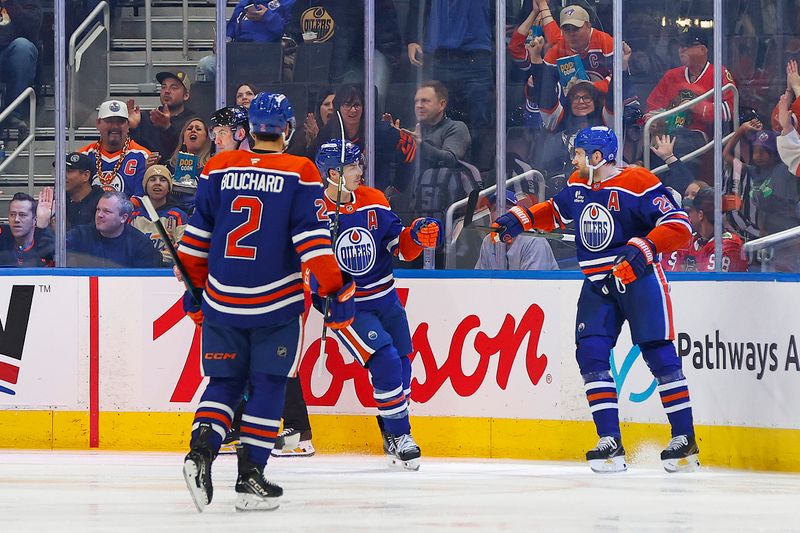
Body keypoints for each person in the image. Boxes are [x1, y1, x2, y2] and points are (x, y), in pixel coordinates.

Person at [177, 92, 353, 512]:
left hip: (222, 299)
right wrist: (336, 289)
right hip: (275, 305)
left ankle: (200, 452)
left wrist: (195, 294)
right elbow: (312, 243)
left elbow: (194, 242)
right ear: (287, 129)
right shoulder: (300, 170)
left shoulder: (218, 166)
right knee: (269, 386)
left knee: (223, 384)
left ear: (250, 129)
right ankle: (249, 475)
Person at [492, 126, 699, 474]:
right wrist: (520, 219)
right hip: (597, 282)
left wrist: (642, 249)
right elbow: (556, 211)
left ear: (598, 157)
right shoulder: (577, 183)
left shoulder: (639, 182)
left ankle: (684, 438)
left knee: (658, 353)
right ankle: (609, 441)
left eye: (579, 152)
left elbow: (678, 224)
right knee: (590, 353)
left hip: (638, 278)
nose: (574, 158)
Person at [313, 139, 442, 470]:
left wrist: (415, 235)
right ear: (333, 173)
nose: (360, 171)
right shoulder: (312, 211)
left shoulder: (374, 200)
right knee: (384, 359)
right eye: (353, 166)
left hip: (387, 298)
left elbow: (398, 245)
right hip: (349, 305)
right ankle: (401, 434)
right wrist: (322, 296)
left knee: (403, 362)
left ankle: (390, 426)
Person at [404, 0, 494, 168]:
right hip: (441, 55)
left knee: (481, 118)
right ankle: (436, 173)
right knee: (432, 114)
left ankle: (479, 175)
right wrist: (413, 38)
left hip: (476, 55)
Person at [314, 84, 416, 196]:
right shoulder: (327, 133)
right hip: (341, 200)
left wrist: (397, 187)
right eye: (347, 105)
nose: (353, 110)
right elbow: (319, 166)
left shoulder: (381, 131)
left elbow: (410, 146)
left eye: (357, 105)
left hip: (375, 198)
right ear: (338, 107)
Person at [646, 28, 735, 143]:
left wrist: (695, 106)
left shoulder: (719, 74)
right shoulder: (671, 76)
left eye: (687, 46)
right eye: (681, 45)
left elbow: (729, 111)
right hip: (669, 134)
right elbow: (652, 106)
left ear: (702, 50)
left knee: (676, 142)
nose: (682, 49)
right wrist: (652, 120)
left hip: (700, 136)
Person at [661, 187, 748, 273]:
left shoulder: (728, 245)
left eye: (690, 211)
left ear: (700, 215)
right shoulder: (691, 240)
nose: (688, 216)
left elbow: (712, 284)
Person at [66, 191, 162, 268]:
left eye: (106, 211)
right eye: (98, 209)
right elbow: (54, 249)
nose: (99, 215)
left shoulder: (141, 244)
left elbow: (145, 282)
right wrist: (49, 219)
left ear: (123, 218)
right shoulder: (80, 235)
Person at [79, 100, 152, 197]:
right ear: (98, 123)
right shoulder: (83, 155)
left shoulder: (143, 156)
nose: (115, 126)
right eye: (109, 121)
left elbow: (142, 198)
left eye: (120, 122)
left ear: (128, 124)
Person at [475, 190, 558, 271]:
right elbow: (478, 280)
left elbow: (532, 283)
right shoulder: (488, 241)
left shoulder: (534, 241)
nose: (500, 213)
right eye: (495, 209)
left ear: (518, 213)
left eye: (506, 208)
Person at [127, 71, 197, 162]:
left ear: (186, 95)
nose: (167, 91)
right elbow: (132, 152)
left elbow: (189, 153)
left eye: (174, 87)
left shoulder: (192, 122)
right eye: (164, 87)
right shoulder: (147, 117)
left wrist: (167, 128)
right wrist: (132, 128)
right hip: (149, 173)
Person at [130, 165, 188, 266]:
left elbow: (182, 248)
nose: (157, 183)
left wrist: (155, 258)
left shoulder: (178, 215)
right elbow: (128, 249)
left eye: (163, 180)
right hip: (138, 271)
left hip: (168, 273)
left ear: (169, 187)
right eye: (152, 179)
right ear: (145, 186)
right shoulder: (134, 216)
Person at [0, 0, 41, 134]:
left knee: (23, 47)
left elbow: (31, 29)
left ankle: (12, 113)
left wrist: (8, 4)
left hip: (10, 55)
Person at [0, 190, 53, 267]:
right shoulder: (3, 236)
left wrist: (43, 225)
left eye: (22, 215)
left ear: (34, 220)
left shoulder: (46, 242)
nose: (16, 219)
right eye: (12, 214)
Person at [61, 152, 104, 230]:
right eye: (61, 170)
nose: (63, 175)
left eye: (69, 171)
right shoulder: (57, 200)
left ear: (86, 175)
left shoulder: (102, 204)